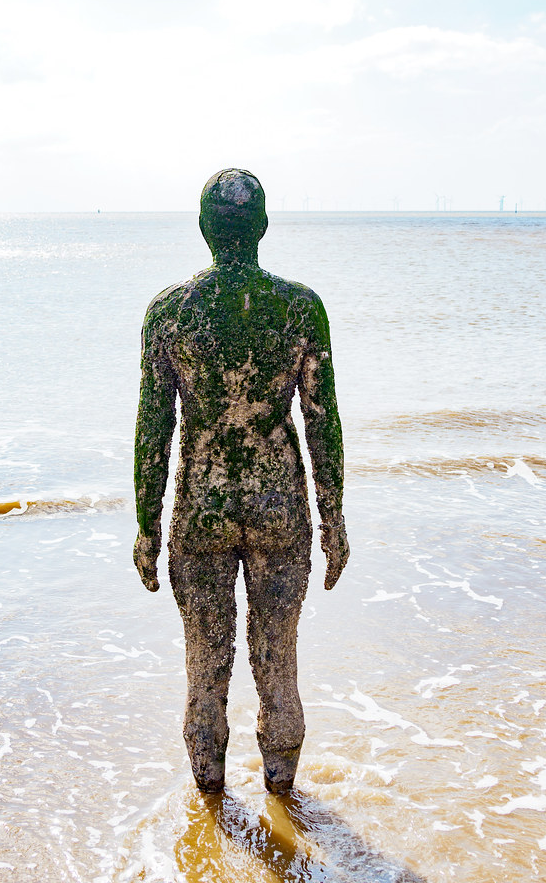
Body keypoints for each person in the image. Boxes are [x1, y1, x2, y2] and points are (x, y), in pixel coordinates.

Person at [133, 168, 348, 794]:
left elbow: (153, 428)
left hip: (201, 505)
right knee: (279, 666)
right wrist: (333, 517)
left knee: (205, 673)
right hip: (279, 503)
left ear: (204, 228)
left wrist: (147, 527)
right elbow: (322, 420)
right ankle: (283, 799)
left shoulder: (170, 312)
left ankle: (211, 811)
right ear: (263, 227)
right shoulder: (301, 308)